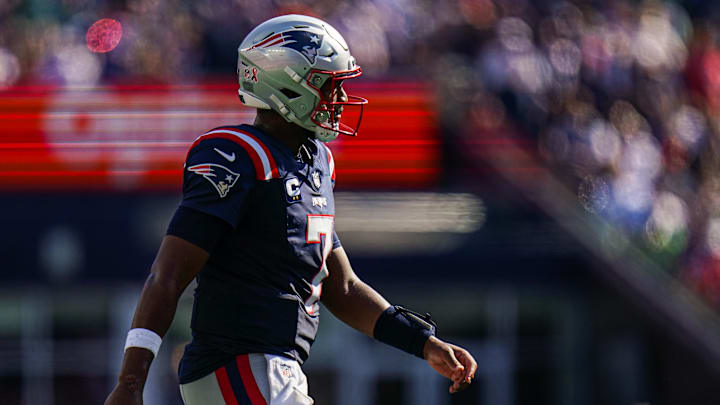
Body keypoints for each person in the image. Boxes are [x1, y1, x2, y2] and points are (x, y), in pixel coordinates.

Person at [104, 14, 477, 405]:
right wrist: (131, 381)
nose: (342, 98)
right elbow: (168, 275)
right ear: (286, 83)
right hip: (238, 363)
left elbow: (343, 287)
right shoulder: (237, 154)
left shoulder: (317, 162)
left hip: (278, 369)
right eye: (329, 85)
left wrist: (423, 342)